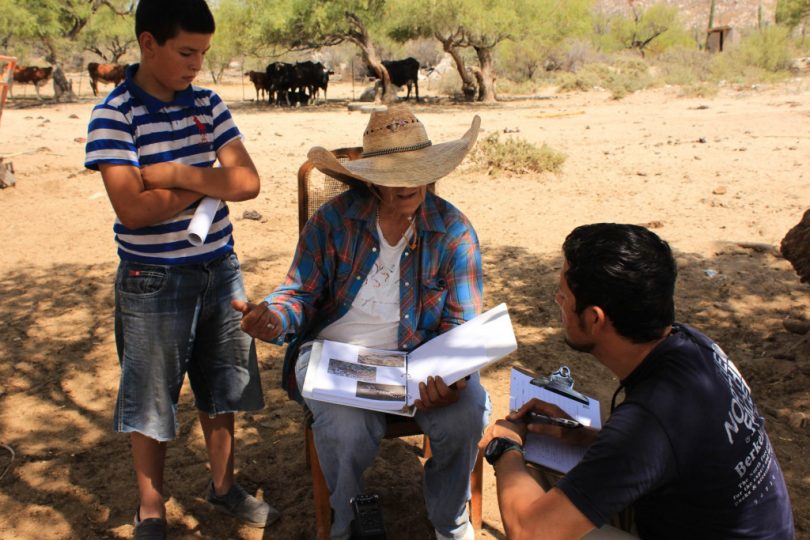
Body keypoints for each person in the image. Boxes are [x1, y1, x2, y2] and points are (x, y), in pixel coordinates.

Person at [233, 105, 490, 540]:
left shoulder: (454, 231)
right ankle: (348, 521)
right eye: (393, 174)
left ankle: (450, 520)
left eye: (418, 170)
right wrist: (275, 319)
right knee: (348, 429)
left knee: (466, 414)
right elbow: (299, 292)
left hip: (417, 363)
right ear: (371, 177)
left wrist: (453, 376)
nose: (407, 184)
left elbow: (462, 325)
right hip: (338, 358)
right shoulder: (333, 221)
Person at [84, 1, 277, 537]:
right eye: (186, 52)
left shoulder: (208, 103)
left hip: (219, 267)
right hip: (153, 278)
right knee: (150, 396)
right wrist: (208, 177)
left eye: (204, 53)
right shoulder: (114, 114)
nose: (197, 65)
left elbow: (248, 183)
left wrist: (170, 173)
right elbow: (132, 210)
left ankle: (224, 487)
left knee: (223, 386)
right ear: (149, 44)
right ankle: (151, 508)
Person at [480, 223, 795, 540]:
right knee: (554, 478)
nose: (557, 302)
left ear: (594, 319)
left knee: (540, 504)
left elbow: (530, 531)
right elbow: (663, 449)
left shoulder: (652, 415)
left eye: (562, 295)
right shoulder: (692, 346)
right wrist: (579, 435)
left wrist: (504, 445)